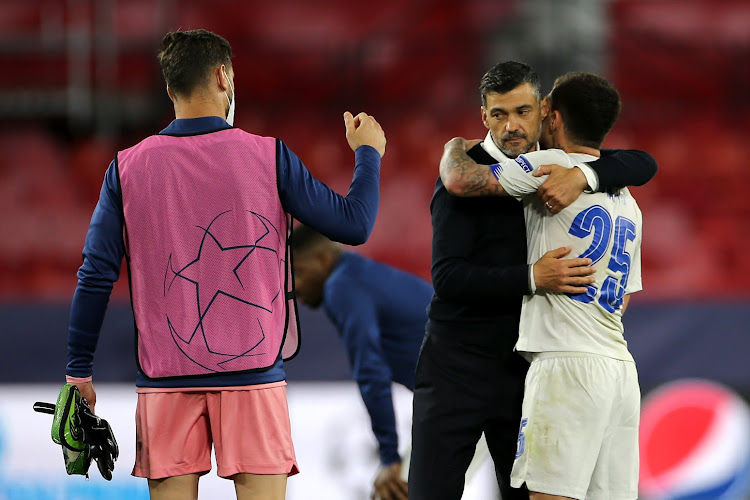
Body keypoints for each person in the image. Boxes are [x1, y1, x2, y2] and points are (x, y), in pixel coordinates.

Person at [64, 29, 385, 500]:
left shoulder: (125, 168)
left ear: (170, 88)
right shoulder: (269, 156)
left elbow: (95, 275)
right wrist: (368, 154)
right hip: (254, 377)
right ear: (224, 76)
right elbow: (355, 224)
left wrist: (78, 372)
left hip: (165, 382)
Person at [408, 61, 656, 500]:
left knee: (531, 493)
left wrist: (585, 175)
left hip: (527, 366)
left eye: (522, 112)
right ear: (483, 116)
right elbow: (447, 277)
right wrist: (531, 277)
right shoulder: (483, 170)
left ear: (545, 112)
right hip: (458, 365)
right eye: (499, 114)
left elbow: (637, 161)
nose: (512, 126)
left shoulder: (564, 169)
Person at [291, 225, 427, 500]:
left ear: (323, 259)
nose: (293, 287)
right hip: (470, 393)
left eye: (298, 272)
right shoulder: (358, 275)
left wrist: (389, 456)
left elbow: (370, 371)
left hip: (466, 400)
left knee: (395, 490)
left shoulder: (341, 285)